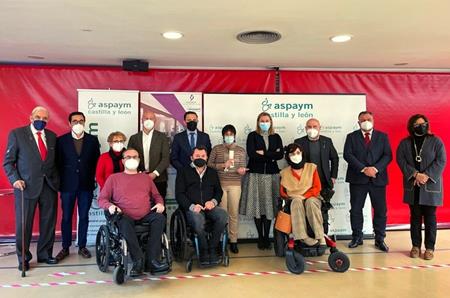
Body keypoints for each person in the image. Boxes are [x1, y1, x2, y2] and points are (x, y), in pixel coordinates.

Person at [3, 106, 60, 271]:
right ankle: (23, 258)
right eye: (38, 117)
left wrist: (57, 181)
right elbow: (8, 162)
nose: (41, 120)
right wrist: (15, 180)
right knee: (24, 224)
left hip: (49, 186)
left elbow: (54, 162)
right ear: (31, 117)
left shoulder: (52, 136)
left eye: (44, 118)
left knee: (48, 223)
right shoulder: (17, 134)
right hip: (25, 187)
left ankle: (44, 254)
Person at [97, 148, 168, 276]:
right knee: (123, 221)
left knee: (160, 218)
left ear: (139, 160)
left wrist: (160, 203)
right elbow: (102, 199)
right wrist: (110, 206)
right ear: (123, 161)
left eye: (135, 157)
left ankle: (152, 260)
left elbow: (157, 195)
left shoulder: (146, 178)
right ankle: (138, 260)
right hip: (124, 215)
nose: (132, 159)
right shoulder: (114, 178)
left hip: (145, 214)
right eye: (128, 157)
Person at [396, 114, 446, 260]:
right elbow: (401, 159)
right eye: (418, 124)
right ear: (412, 126)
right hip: (413, 185)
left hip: (430, 185)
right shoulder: (405, 143)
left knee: (430, 218)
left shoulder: (436, 141)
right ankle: (416, 246)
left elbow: (441, 160)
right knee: (415, 217)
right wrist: (415, 174)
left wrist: (426, 176)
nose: (421, 126)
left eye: (424, 123)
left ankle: (430, 248)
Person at [343, 111, 392, 252]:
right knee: (356, 209)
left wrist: (375, 169)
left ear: (373, 120)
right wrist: (364, 169)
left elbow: (388, 155)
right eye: (362, 120)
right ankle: (357, 237)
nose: (366, 121)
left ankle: (380, 239)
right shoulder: (351, 137)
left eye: (368, 119)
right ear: (358, 122)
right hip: (358, 179)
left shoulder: (383, 137)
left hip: (378, 179)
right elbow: (348, 154)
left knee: (381, 210)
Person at [55, 112, 100, 261]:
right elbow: (57, 163)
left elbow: (96, 163)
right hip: (67, 185)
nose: (78, 123)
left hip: (86, 185)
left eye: (81, 120)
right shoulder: (61, 141)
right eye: (75, 121)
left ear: (85, 122)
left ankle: (82, 246)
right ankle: (65, 247)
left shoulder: (92, 140)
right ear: (69, 123)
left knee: (84, 216)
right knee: (66, 217)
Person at [175, 146, 227, 266]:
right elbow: (179, 194)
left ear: (207, 157)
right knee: (198, 219)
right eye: (197, 156)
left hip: (209, 207)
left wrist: (213, 202)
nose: (200, 158)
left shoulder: (212, 172)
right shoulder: (183, 172)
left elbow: (219, 191)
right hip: (192, 209)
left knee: (223, 215)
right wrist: (192, 206)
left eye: (203, 156)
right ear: (191, 157)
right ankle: (203, 250)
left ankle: (213, 248)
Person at [240, 112, 284, 250]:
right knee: (257, 206)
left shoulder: (276, 137)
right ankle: (260, 237)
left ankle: (267, 237)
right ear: (258, 122)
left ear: (271, 122)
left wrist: (264, 153)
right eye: (262, 120)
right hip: (255, 175)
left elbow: (280, 155)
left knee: (269, 206)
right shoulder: (252, 136)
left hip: (272, 176)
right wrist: (271, 155)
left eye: (267, 120)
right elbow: (252, 154)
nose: (264, 122)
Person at [294, 118, 339, 234]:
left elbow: (334, 158)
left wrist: (333, 176)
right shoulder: (299, 142)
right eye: (309, 127)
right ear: (305, 129)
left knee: (323, 210)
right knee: (307, 208)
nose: (312, 129)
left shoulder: (327, 141)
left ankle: (323, 235)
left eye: (315, 126)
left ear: (320, 128)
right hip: (306, 183)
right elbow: (294, 161)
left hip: (324, 182)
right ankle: (308, 235)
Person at [208, 124, 247, 253]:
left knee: (233, 213)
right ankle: (221, 240)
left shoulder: (241, 150)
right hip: (220, 185)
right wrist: (222, 165)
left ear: (235, 135)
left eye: (231, 134)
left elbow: (243, 167)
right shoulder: (216, 149)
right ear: (223, 136)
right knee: (222, 214)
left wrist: (241, 171)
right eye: (227, 134)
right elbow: (209, 165)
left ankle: (233, 240)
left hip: (235, 184)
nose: (229, 137)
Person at [280, 143, 324, 246]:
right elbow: (282, 192)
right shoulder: (284, 172)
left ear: (302, 153)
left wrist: (304, 196)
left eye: (298, 153)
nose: (295, 155)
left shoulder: (311, 168)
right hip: (294, 199)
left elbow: (317, 187)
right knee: (296, 201)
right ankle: (303, 237)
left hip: (312, 197)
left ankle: (320, 236)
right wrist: (292, 197)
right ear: (288, 156)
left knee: (311, 202)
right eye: (292, 154)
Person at [128, 111, 170, 201]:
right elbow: (130, 158)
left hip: (159, 178)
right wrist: (139, 172)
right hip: (139, 178)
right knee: (140, 204)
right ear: (142, 120)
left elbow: (166, 158)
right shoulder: (134, 138)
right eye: (146, 118)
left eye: (151, 118)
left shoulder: (162, 137)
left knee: (160, 205)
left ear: (155, 121)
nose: (148, 121)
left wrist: (155, 173)